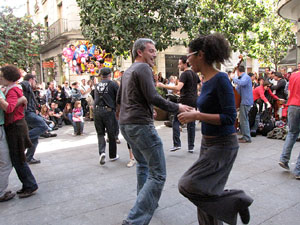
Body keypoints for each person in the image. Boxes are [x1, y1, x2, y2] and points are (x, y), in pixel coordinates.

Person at [177, 33, 253, 225]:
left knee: (187, 185)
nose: (187, 60)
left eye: (189, 56)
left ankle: (237, 199)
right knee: (205, 198)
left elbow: (229, 118)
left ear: (200, 54)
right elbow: (210, 108)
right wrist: (194, 111)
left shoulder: (221, 79)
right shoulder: (205, 80)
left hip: (223, 145)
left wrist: (197, 115)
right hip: (208, 143)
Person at [117, 38, 191, 225]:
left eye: (155, 50)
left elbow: (121, 99)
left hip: (126, 124)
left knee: (143, 165)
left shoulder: (127, 72)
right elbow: (152, 96)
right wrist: (177, 107)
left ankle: (145, 201)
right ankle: (134, 220)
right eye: (151, 50)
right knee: (158, 174)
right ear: (139, 52)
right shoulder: (143, 69)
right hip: (140, 125)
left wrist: (147, 108)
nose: (155, 54)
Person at [0, 65, 38, 198]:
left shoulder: (12, 90)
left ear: (8, 78)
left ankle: (30, 185)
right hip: (16, 125)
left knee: (18, 159)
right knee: (18, 158)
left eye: (2, 76)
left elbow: (9, 108)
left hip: (16, 126)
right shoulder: (11, 89)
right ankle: (28, 184)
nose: (0, 78)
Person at [158, 55, 200, 153]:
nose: (178, 66)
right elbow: (197, 86)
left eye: (180, 64)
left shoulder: (184, 74)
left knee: (176, 121)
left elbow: (178, 88)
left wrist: (163, 85)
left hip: (184, 101)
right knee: (191, 124)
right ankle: (191, 147)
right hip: (194, 100)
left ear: (185, 64)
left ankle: (177, 144)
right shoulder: (194, 73)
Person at [94, 67, 120, 165]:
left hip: (97, 111)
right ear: (110, 74)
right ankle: (113, 155)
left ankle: (102, 152)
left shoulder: (97, 85)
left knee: (100, 133)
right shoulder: (113, 84)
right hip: (108, 111)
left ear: (101, 75)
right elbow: (119, 98)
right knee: (111, 134)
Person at [21, 74, 48, 164]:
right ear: (31, 80)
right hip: (28, 113)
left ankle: (28, 157)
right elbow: (24, 84)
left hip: (30, 111)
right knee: (43, 126)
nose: (35, 83)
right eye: (35, 81)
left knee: (35, 139)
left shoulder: (29, 89)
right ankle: (23, 140)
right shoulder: (25, 84)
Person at [278, 69, 300, 180]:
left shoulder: (293, 76)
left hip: (292, 106)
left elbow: (289, 92)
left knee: (292, 133)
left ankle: (284, 159)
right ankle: (298, 170)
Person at [233, 65, 254, 143]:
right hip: (244, 101)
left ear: (238, 71)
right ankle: (245, 135)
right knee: (244, 119)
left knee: (243, 120)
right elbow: (238, 89)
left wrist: (234, 78)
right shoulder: (243, 78)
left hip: (246, 101)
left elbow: (242, 83)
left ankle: (247, 137)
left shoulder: (246, 77)